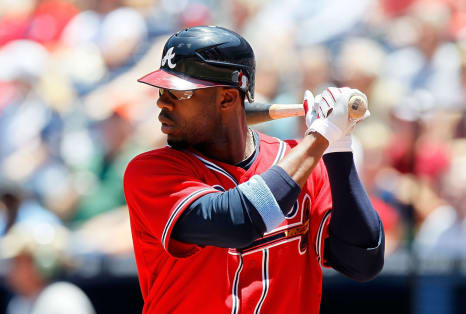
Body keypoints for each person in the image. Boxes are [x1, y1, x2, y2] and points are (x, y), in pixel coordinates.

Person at [124, 26, 384, 314]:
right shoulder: (151, 171)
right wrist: (321, 136)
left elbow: (363, 261)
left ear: (226, 99)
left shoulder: (298, 161)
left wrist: (338, 147)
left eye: (180, 93)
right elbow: (236, 222)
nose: (162, 102)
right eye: (163, 90)